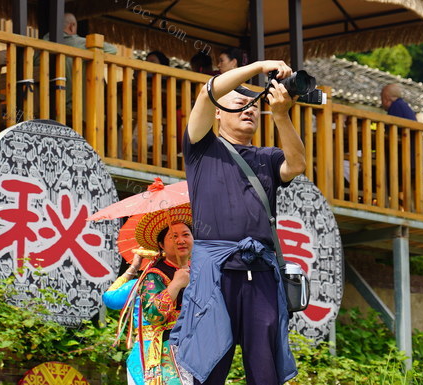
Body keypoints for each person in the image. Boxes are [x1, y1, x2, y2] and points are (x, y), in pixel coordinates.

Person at [171, 59, 306, 385]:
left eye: (253, 108)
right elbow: (206, 94)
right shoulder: (201, 148)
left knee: (265, 369)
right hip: (214, 270)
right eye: (239, 105)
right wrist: (259, 65)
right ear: (218, 113)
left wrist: (281, 114)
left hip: (259, 269)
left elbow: (297, 164)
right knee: (209, 362)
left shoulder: (267, 157)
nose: (249, 111)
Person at [128, 206, 193, 385]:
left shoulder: (202, 270)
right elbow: (153, 315)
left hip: (199, 345)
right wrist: (176, 284)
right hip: (170, 347)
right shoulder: (154, 274)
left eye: (186, 234)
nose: (181, 240)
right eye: (173, 236)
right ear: (162, 245)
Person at [103, 252, 148, 385]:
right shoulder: (188, 281)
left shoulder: (138, 285)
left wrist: (134, 267)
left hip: (143, 353)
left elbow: (110, 297)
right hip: (181, 351)